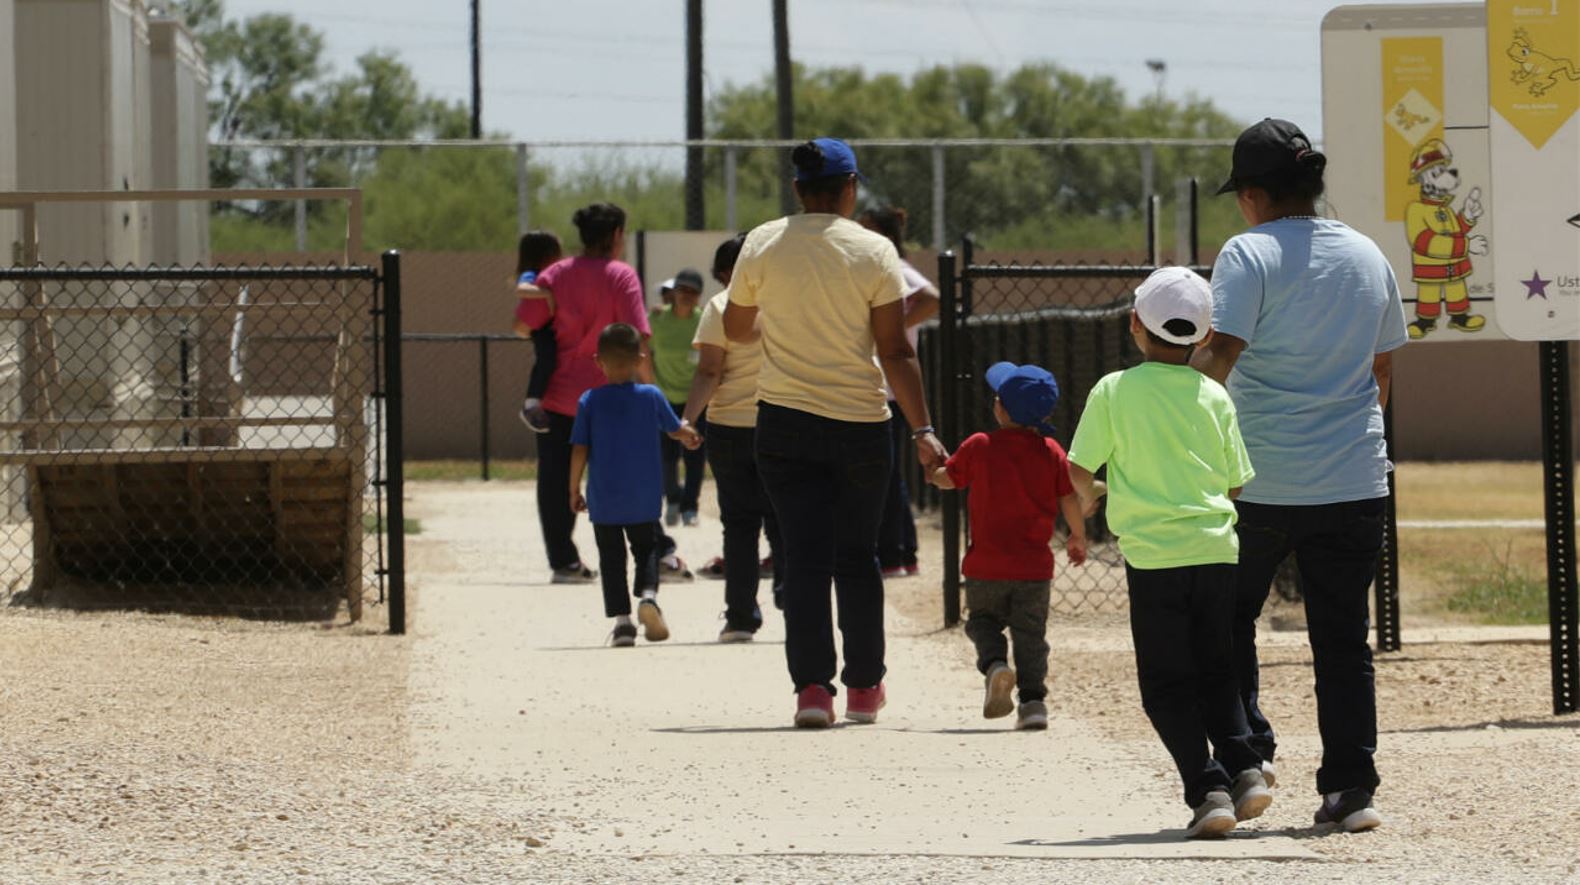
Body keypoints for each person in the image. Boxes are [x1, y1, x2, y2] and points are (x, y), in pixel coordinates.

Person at [1191, 118, 1407, 833]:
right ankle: (1351, 788)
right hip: (1353, 479)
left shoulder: (1247, 253)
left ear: (1252, 194)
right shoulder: (1368, 254)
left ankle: (1249, 754)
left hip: (1255, 480)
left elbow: (1220, 353)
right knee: (1343, 639)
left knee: (1228, 620)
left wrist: (1186, 435)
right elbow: (1381, 371)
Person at [725, 137, 947, 728]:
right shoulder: (873, 250)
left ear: (797, 189)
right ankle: (865, 687)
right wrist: (923, 428)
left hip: (782, 420)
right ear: (851, 188)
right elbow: (895, 349)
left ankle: (812, 691)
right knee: (856, 557)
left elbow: (738, 327)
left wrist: (779, 322)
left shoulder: (762, 243)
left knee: (801, 557)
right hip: (860, 423)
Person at [1066, 266, 1272, 840]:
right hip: (1215, 551)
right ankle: (1246, 767)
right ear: (1204, 337)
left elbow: (1078, 467)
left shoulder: (1113, 390)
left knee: (1164, 682)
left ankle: (1207, 789)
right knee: (1217, 669)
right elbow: (1235, 483)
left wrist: (1090, 498)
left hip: (1154, 558)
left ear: (1135, 324)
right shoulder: (1214, 394)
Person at [928, 362, 1087, 731]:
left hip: (985, 566)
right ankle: (1033, 703)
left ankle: (996, 664)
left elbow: (947, 479)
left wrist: (933, 472)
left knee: (981, 622)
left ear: (1000, 408)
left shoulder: (980, 446)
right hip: (1033, 569)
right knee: (1031, 635)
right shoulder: (1050, 451)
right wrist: (1077, 536)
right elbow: (1068, 499)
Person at [515, 203, 650, 584]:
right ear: (616, 236)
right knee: (618, 476)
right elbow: (636, 337)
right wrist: (650, 389)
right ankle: (636, 555)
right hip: (613, 396)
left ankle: (563, 561)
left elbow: (523, 326)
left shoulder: (556, 274)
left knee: (555, 479)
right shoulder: (622, 276)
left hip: (559, 398)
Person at [569, 323, 702, 646]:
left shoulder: (589, 400)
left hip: (604, 500)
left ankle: (623, 623)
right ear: (641, 358)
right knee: (647, 551)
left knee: (611, 558)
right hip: (643, 498)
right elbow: (674, 429)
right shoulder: (651, 396)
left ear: (598, 361)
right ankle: (648, 596)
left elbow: (580, 449)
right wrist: (690, 436)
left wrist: (573, 489)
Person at [683, 234, 784, 642]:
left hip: (729, 428)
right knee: (784, 519)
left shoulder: (720, 307)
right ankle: (793, 598)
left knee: (739, 524)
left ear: (726, 273)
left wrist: (688, 418)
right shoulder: (784, 305)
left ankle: (741, 616)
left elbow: (710, 371)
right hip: (780, 422)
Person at [858, 207, 940, 579]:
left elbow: (932, 298)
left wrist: (890, 328)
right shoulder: (880, 268)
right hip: (886, 386)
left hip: (889, 389)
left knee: (883, 475)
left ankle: (893, 553)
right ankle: (902, 551)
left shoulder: (894, 266)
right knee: (888, 475)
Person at [651, 267, 708, 527]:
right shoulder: (657, 320)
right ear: (673, 292)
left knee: (694, 453)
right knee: (667, 454)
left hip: (695, 399)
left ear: (699, 297)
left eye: (692, 292)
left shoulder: (704, 321)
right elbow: (644, 351)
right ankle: (672, 498)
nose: (686, 295)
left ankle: (690, 506)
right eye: (682, 289)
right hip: (665, 397)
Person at [511, 231, 565, 432]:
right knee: (547, 359)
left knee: (552, 359)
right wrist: (545, 294)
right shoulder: (532, 275)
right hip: (541, 329)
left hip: (551, 327)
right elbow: (521, 288)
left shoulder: (553, 276)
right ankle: (531, 403)